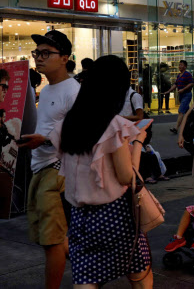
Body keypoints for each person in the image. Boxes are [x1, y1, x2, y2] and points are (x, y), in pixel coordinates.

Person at [51, 55, 153, 287]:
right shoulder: (113, 126)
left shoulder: (68, 124)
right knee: (139, 272)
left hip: (79, 216)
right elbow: (128, 177)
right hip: (114, 214)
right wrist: (138, 142)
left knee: (87, 277)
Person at [18, 30, 80, 289]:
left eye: (46, 53)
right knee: (49, 237)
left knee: (52, 242)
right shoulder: (47, 88)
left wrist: (42, 140)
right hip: (40, 168)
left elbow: (78, 134)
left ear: (64, 57)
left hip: (57, 171)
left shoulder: (73, 90)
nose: (39, 59)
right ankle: (85, 259)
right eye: (37, 53)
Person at [165, 60, 193, 133]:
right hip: (181, 95)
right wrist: (168, 91)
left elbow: (191, 83)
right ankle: (193, 124)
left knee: (181, 111)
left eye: (181, 65)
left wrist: (183, 89)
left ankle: (176, 128)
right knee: (187, 112)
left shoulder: (187, 74)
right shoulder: (179, 75)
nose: (180, 66)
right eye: (179, 65)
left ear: (185, 66)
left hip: (186, 95)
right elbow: (175, 85)